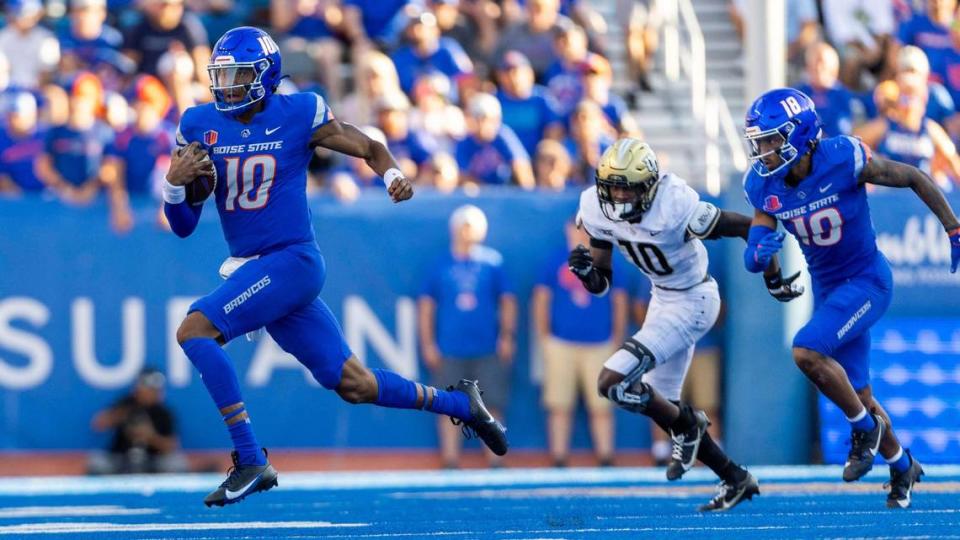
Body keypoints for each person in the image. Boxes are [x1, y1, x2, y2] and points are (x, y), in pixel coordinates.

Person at [162, 26, 507, 507]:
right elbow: (181, 225)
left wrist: (391, 174)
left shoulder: (299, 111)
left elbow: (368, 146)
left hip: (292, 260)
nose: (226, 87)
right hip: (258, 269)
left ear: (266, 76)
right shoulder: (200, 124)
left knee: (194, 331)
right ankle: (462, 403)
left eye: (237, 76)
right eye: (220, 77)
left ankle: (250, 458)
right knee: (354, 384)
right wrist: (173, 188)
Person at [741, 87, 960, 508]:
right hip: (829, 290)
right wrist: (759, 258)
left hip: (866, 280)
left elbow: (913, 176)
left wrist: (953, 227)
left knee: (806, 351)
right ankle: (902, 466)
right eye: (761, 142)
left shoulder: (842, 158)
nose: (764, 151)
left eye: (772, 139)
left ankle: (862, 431)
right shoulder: (763, 184)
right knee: (858, 393)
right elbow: (757, 244)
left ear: (801, 134)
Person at [571, 138, 801, 511]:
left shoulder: (674, 204)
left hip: (694, 299)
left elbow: (747, 227)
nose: (617, 196)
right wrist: (587, 275)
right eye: (612, 186)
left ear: (649, 186)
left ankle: (690, 426)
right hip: (660, 300)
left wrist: (772, 276)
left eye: (626, 187)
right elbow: (602, 281)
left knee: (612, 382)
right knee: (666, 407)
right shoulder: (595, 209)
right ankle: (734, 477)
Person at [418, 205, 517, 469]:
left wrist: (507, 336)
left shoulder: (492, 262)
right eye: (464, 226)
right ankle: (450, 460)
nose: (468, 232)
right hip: (450, 348)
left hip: (487, 347)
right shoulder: (440, 264)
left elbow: (507, 301)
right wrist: (428, 343)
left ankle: (494, 458)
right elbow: (426, 306)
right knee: (448, 406)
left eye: (473, 227)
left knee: (492, 403)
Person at [533, 217, 626, 467]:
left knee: (602, 406)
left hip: (599, 343)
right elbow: (541, 299)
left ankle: (606, 457)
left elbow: (619, 301)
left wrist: (616, 339)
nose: (581, 233)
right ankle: (559, 457)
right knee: (560, 405)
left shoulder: (606, 259)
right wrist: (545, 338)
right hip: (561, 343)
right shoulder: (555, 260)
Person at [87, 368, 189, 475]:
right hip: (122, 459)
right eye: (149, 389)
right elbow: (98, 424)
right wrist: (123, 415)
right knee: (96, 463)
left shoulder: (163, 412)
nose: (153, 393)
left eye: (156, 390)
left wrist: (150, 436)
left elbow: (171, 447)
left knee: (177, 464)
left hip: (152, 461)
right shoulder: (126, 404)